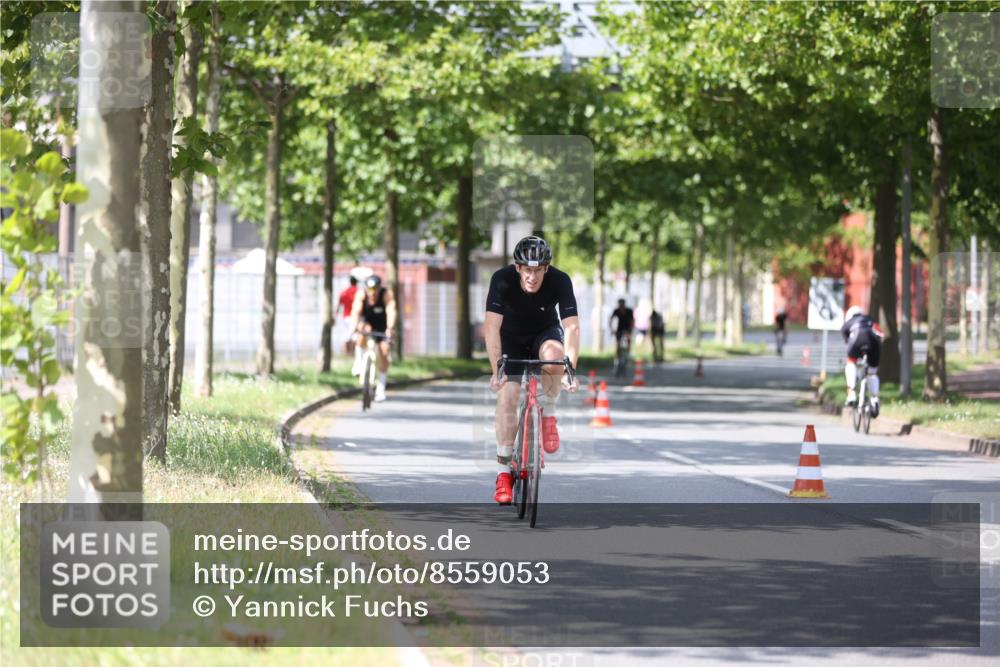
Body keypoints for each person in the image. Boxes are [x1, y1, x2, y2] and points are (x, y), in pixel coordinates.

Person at [485, 236, 580, 505]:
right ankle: (504, 472)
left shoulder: (561, 280)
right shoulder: (501, 279)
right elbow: (491, 327)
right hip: (511, 339)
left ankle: (548, 411)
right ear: (517, 268)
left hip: (544, 333)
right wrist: (496, 371)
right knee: (509, 395)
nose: (532, 276)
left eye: (538, 270)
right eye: (527, 269)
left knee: (554, 358)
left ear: (546, 269)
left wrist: (570, 369)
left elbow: (572, 327)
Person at [349, 275, 397, 403]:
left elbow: (391, 311)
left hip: (382, 325)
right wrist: (354, 325)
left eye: (375, 289)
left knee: (384, 351)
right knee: (361, 334)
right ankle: (359, 362)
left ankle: (380, 388)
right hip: (367, 322)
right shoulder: (361, 294)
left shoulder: (386, 294)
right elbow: (356, 311)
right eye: (370, 289)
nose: (372, 293)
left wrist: (390, 328)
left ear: (379, 287)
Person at [841, 305, 884, 415]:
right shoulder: (870, 319)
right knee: (872, 372)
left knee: (850, 362)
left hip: (856, 340)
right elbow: (881, 334)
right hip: (874, 342)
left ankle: (851, 393)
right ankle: (874, 398)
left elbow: (847, 341)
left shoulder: (848, 323)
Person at [338, 275, 360, 357]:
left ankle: (347, 353)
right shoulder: (359, 292)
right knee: (355, 335)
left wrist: (335, 314)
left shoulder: (345, 292)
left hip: (345, 317)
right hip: (356, 317)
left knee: (346, 335)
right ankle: (353, 353)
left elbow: (339, 304)